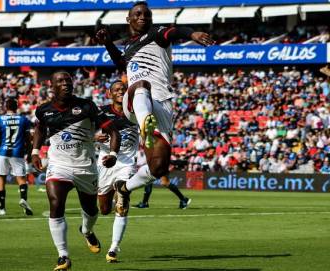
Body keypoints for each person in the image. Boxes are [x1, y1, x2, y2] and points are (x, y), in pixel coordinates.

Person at [95, 1, 214, 214]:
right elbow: (122, 65)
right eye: (138, 14)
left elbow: (175, 31)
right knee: (141, 85)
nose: (143, 17)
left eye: (147, 15)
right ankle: (144, 126)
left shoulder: (156, 33)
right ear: (128, 19)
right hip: (136, 102)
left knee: (158, 168)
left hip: (162, 104)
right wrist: (108, 44)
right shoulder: (129, 45)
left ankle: (124, 188)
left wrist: (192, 34)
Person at [31, 71, 120, 271]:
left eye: (68, 81)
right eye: (60, 81)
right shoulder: (43, 110)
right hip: (58, 166)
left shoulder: (87, 106)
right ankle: (63, 256)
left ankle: (86, 231)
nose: (65, 84)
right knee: (55, 203)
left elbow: (113, 131)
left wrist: (113, 154)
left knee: (91, 210)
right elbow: (40, 129)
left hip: (85, 167)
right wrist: (36, 151)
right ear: (51, 86)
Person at [94, 80, 138, 262]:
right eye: (117, 90)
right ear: (110, 94)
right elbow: (84, 132)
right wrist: (93, 137)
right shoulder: (100, 112)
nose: (121, 91)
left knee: (122, 202)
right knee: (104, 209)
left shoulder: (137, 111)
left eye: (123, 89)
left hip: (126, 164)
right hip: (105, 164)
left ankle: (113, 249)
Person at [0, 98, 33, 216]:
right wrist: (30, 153)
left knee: (1, 179)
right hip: (17, 153)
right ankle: (23, 199)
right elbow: (28, 139)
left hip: (3, 153)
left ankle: (2, 209)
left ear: (6, 107)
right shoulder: (23, 120)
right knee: (21, 179)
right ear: (16, 107)